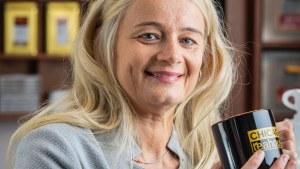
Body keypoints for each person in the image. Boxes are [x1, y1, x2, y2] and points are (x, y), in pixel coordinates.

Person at [8, 0, 297, 168]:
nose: (172, 55)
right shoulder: (53, 148)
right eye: (149, 36)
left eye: (187, 40)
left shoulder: (206, 155)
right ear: (103, 46)